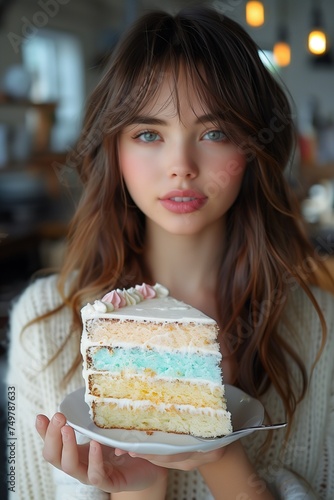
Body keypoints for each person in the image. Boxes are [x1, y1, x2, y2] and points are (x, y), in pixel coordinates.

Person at [6, 6, 334, 500]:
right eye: (149, 134)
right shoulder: (39, 325)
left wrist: (221, 452)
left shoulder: (322, 330)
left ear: (252, 149)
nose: (181, 166)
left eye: (215, 132)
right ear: (114, 148)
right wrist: (137, 487)